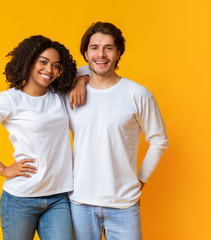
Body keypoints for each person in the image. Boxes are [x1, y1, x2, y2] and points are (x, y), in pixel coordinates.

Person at [0, 35, 79, 240]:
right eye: (43, 62)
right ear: (29, 61)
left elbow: (90, 71)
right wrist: (3, 169)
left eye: (56, 66)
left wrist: (83, 80)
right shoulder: (10, 99)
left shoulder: (59, 96)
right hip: (20, 199)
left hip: (59, 197)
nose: (49, 70)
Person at [66, 22, 169, 240]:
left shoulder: (138, 94)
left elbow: (159, 140)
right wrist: (80, 79)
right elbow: (59, 73)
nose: (100, 54)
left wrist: (140, 181)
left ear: (118, 52)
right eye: (94, 48)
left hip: (123, 205)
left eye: (108, 48)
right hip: (80, 203)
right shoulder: (71, 92)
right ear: (85, 52)